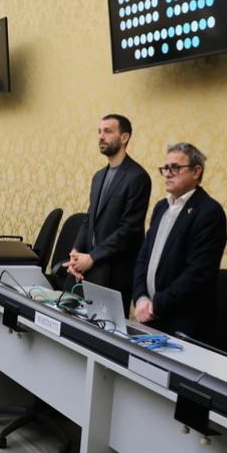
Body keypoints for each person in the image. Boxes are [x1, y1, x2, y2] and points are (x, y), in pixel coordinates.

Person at [132, 142, 227, 344]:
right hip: (149, 319)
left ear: (196, 171)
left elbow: (198, 274)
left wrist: (155, 306)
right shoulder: (161, 207)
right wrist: (140, 297)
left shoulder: (209, 212)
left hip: (183, 326)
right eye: (165, 168)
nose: (167, 173)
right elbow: (143, 257)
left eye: (175, 167)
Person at [65, 114, 151, 314]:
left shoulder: (137, 177)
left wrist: (92, 258)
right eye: (99, 131)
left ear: (124, 137)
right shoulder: (98, 176)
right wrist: (76, 253)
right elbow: (89, 219)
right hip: (88, 268)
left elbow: (129, 229)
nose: (101, 136)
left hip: (115, 272)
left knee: (104, 334)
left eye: (107, 131)